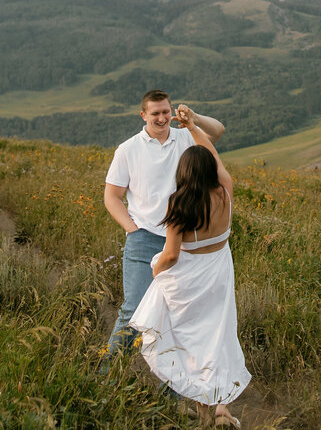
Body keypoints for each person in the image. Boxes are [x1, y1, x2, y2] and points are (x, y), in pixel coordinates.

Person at [129, 105, 250, 427]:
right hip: (220, 268)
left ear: (182, 172)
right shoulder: (224, 190)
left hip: (190, 277)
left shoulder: (179, 204)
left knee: (193, 341)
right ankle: (223, 409)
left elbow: (169, 255)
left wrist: (157, 273)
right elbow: (217, 159)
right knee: (220, 335)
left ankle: (205, 415)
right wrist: (193, 126)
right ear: (210, 170)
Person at [104, 90, 225, 355]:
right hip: (144, 238)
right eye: (155, 113)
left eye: (166, 112)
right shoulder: (128, 150)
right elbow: (112, 197)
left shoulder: (186, 137)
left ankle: (169, 382)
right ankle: (107, 374)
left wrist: (193, 118)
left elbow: (218, 130)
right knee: (133, 309)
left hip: (185, 242)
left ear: (172, 111)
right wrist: (132, 230)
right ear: (143, 115)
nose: (162, 118)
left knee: (176, 315)